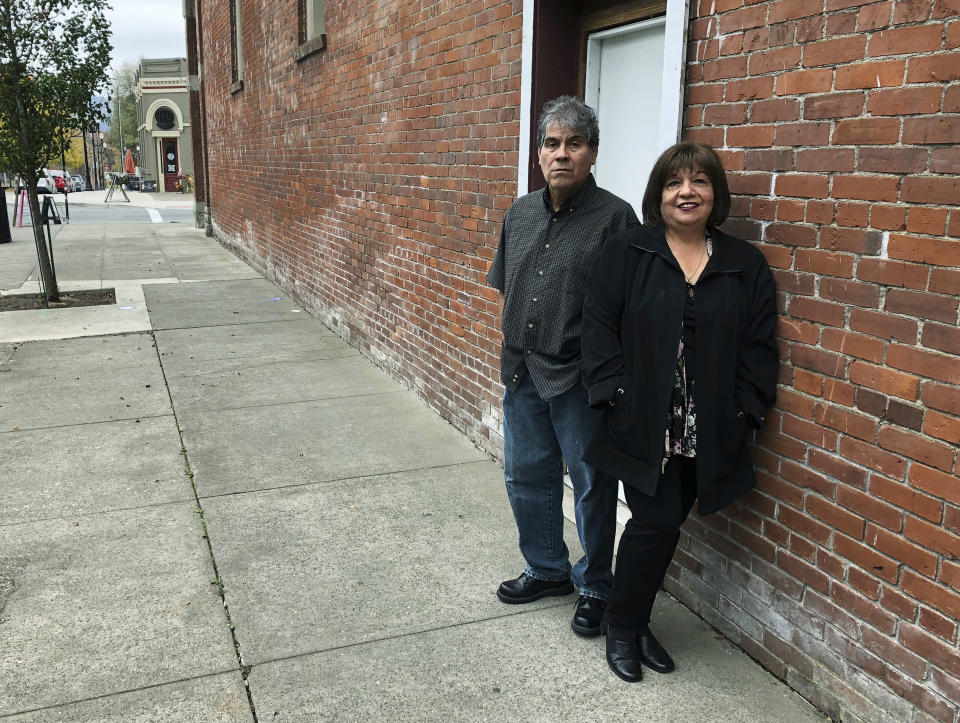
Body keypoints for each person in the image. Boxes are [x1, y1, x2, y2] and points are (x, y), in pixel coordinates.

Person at [581, 142, 778, 682]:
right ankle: (622, 627)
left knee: (665, 526)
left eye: (699, 182)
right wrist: (613, 395)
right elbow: (598, 326)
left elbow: (760, 346)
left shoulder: (744, 265)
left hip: (710, 427)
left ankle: (636, 621)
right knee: (655, 521)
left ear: (716, 194)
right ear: (658, 195)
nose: (686, 192)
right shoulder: (628, 252)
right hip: (643, 420)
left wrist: (745, 412)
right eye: (673, 183)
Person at [487, 95, 638, 636]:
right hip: (522, 369)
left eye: (574, 143)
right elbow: (508, 285)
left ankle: (595, 584)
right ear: (538, 153)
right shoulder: (520, 213)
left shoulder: (616, 218)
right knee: (525, 474)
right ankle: (547, 568)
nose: (562, 154)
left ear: (592, 153)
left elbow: (630, 310)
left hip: (578, 377)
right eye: (551, 143)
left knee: (592, 483)